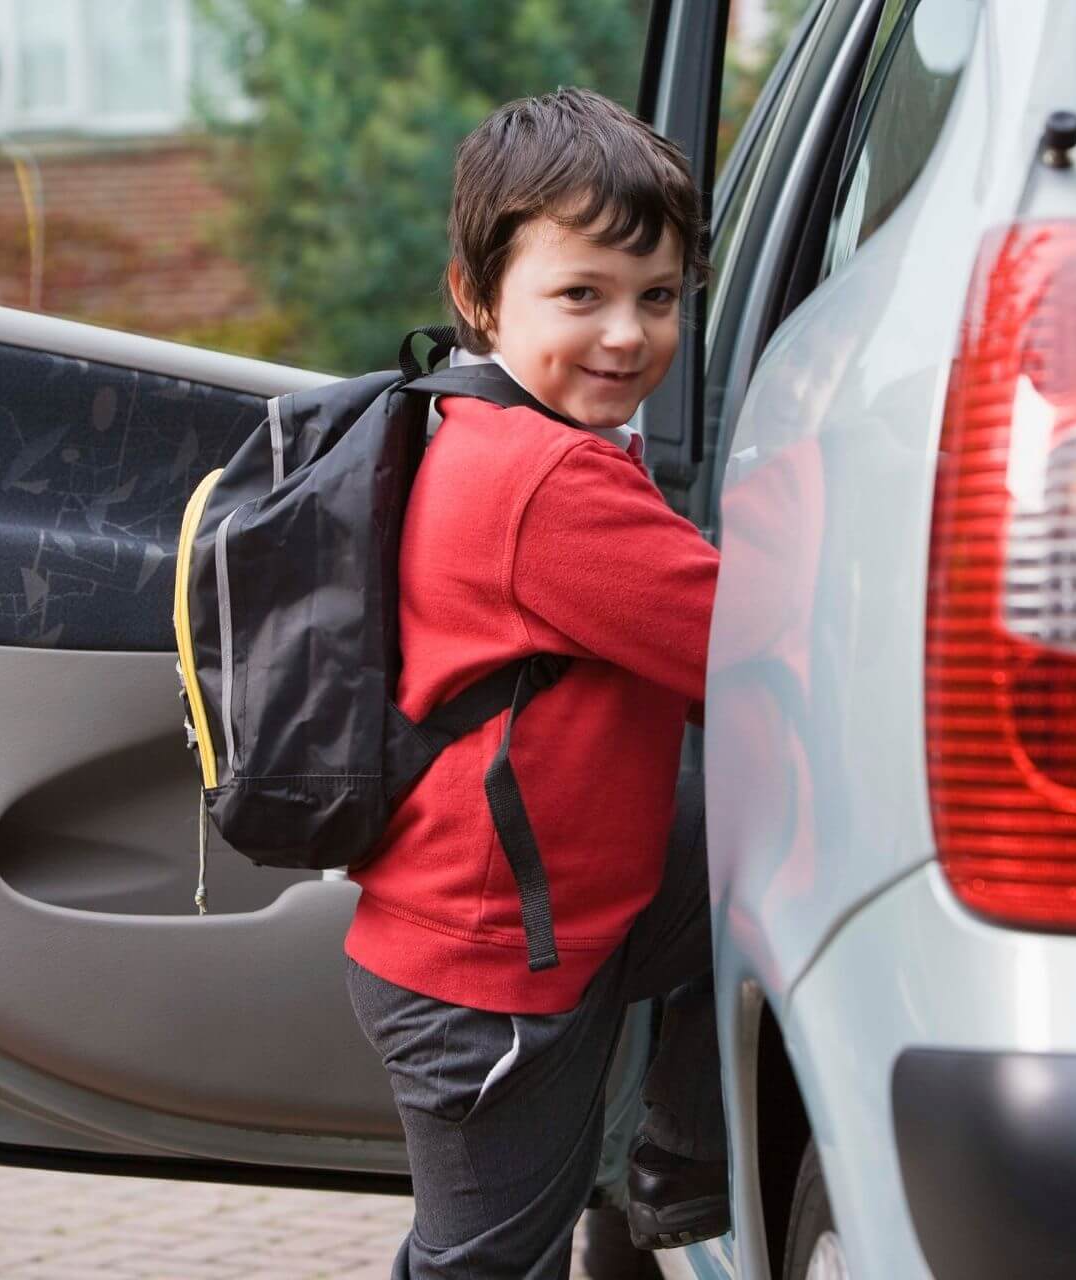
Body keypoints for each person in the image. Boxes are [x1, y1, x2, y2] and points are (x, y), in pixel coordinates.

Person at [343, 86, 728, 1278]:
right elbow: (756, 645)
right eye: (582, 296)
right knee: (486, 1263)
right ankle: (675, 1161)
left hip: (555, 910)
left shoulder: (474, 428)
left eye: (657, 297)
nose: (628, 335)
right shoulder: (550, 482)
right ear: (477, 297)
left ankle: (663, 1166)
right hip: (493, 972)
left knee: (751, 833)